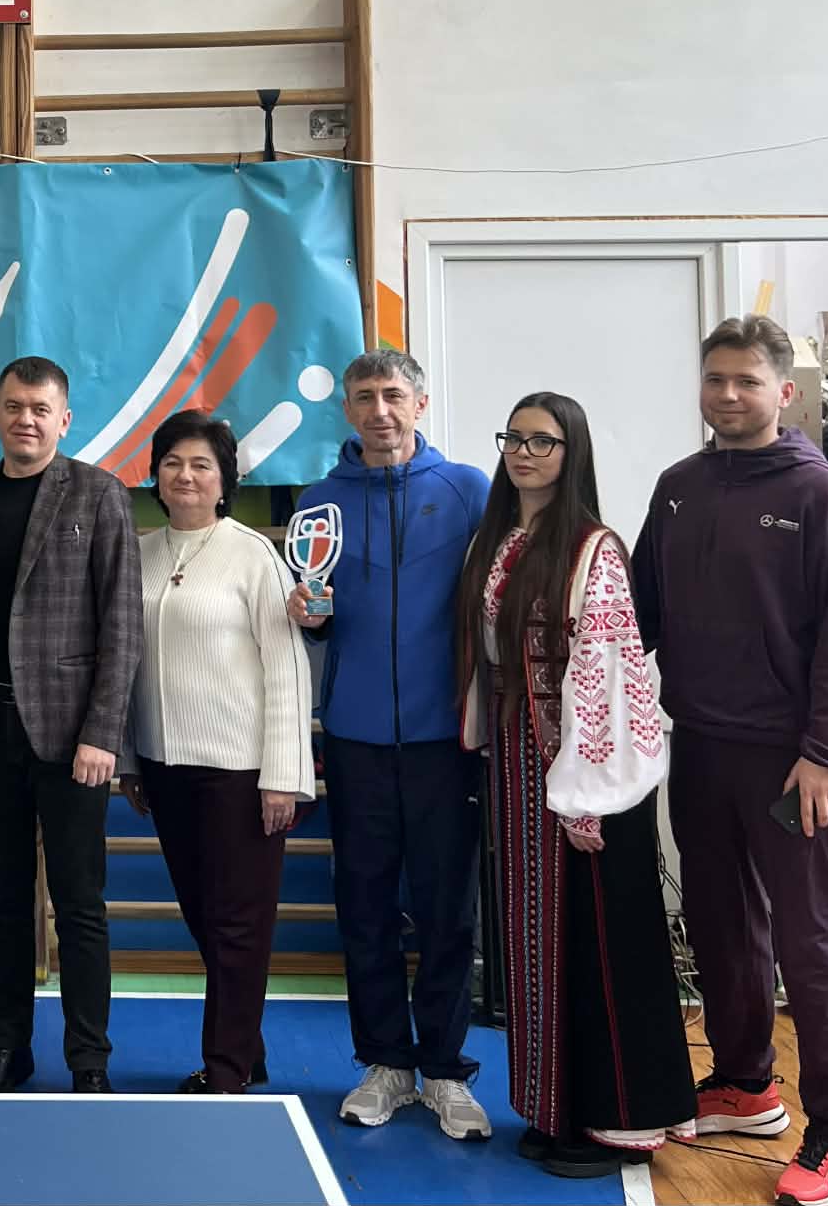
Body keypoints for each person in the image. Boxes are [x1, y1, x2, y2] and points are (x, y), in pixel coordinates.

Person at [632, 317, 828, 1206]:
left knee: (813, 942)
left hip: (794, 763)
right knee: (719, 924)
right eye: (716, 378)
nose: (728, 394)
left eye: (747, 380)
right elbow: (639, 614)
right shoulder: (678, 487)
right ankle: (745, 1082)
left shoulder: (823, 496)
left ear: (785, 391)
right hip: (700, 746)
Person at [456, 394, 695, 1178]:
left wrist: (587, 787)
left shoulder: (595, 547)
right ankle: (554, 1104)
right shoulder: (497, 539)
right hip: (519, 760)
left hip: (590, 768)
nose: (524, 451)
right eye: (514, 437)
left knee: (596, 944)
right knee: (534, 940)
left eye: (543, 440)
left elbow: (608, 669)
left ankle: (615, 1116)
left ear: (572, 451)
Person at [288, 347, 493, 1140]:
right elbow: (320, 613)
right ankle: (385, 1063)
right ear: (347, 409)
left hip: (447, 739)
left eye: (393, 394)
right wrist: (311, 616)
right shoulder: (320, 502)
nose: (380, 409)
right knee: (365, 906)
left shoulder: (469, 489)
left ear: (420, 403)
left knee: (447, 909)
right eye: (365, 396)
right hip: (355, 737)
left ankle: (443, 1068)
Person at [0, 357, 144, 1095]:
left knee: (80, 904)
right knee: (3, 900)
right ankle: (6, 1048)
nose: (26, 418)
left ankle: (89, 1059)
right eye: (15, 405)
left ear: (64, 420)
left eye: (40, 408)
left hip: (73, 736)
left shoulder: (99, 492)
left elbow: (122, 624)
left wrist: (103, 732)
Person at [118, 409, 311, 1095]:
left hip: (241, 771)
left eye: (202, 464)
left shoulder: (253, 554)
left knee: (236, 924)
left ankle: (225, 1070)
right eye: (173, 462)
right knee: (205, 915)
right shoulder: (139, 553)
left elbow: (287, 667)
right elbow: (125, 664)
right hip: (163, 767)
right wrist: (131, 758)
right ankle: (246, 1050)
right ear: (155, 475)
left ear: (225, 479)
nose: (186, 475)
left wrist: (283, 775)